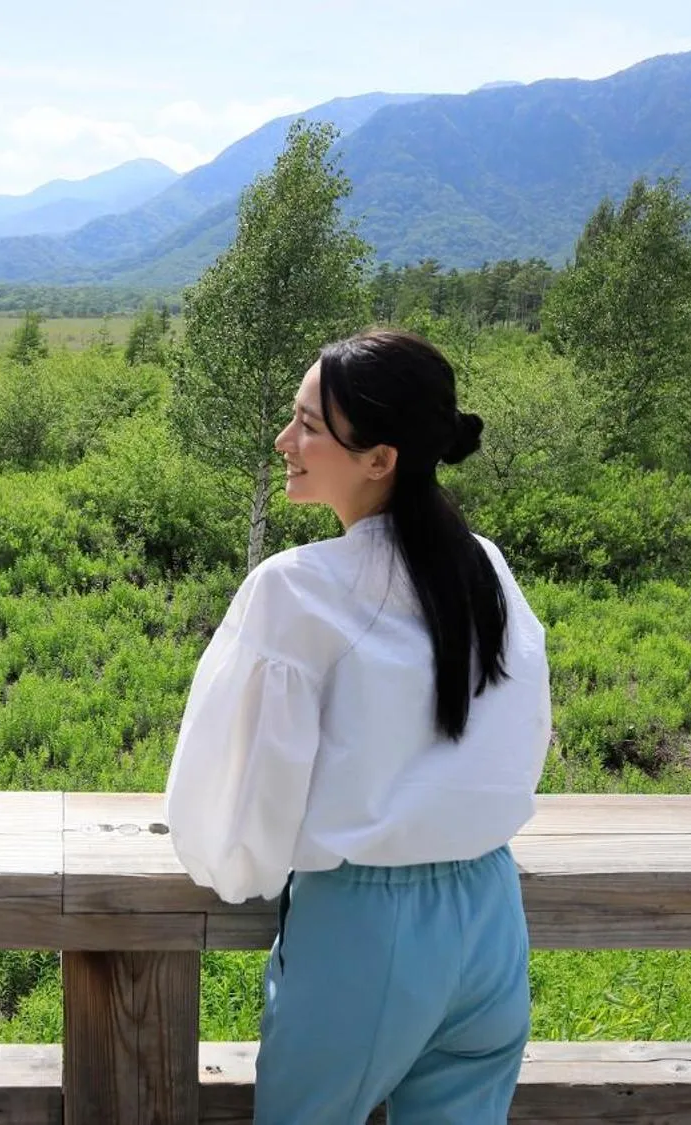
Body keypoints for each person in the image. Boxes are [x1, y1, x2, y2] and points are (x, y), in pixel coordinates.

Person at [165, 328, 552, 1124]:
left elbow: (239, 803)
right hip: (489, 909)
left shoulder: (298, 589)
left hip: (365, 926)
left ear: (380, 458)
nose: (284, 440)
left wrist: (244, 873)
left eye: (309, 424)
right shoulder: (485, 565)